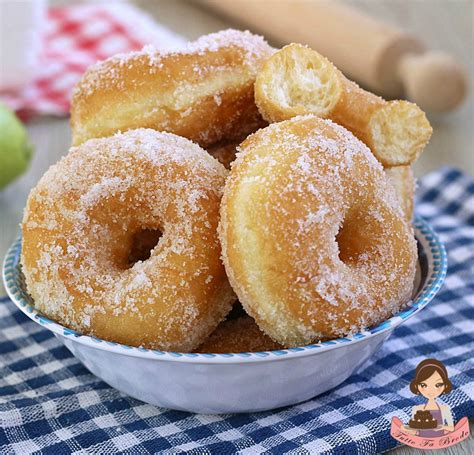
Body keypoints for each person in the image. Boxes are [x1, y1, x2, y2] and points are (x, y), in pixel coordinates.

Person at [402, 359, 455, 437]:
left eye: (438, 385)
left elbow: (451, 428)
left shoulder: (444, 408)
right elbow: (414, 429)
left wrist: (442, 427)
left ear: (446, 385)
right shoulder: (417, 409)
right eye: (423, 385)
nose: (430, 390)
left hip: (440, 439)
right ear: (416, 386)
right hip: (421, 440)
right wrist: (405, 429)